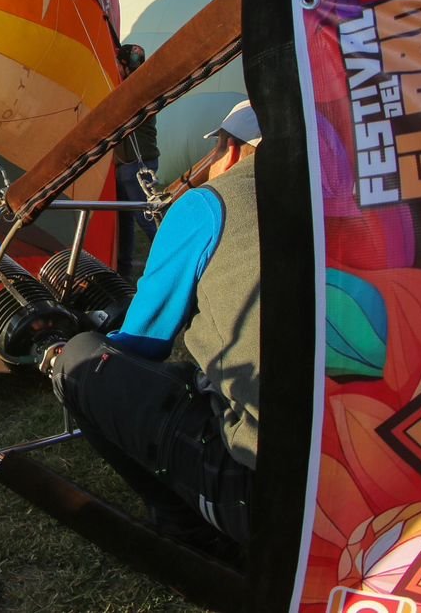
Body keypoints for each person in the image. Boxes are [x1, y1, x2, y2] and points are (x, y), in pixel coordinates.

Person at [44, 100, 262, 549]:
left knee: (82, 364)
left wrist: (86, 339)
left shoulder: (209, 202)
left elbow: (143, 343)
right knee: (191, 377)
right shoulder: (354, 193)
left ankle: (190, 533)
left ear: (233, 150)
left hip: (267, 493)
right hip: (379, 471)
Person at [112, 43, 160, 280]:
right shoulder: (144, 83)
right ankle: (123, 271)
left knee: (148, 218)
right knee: (127, 221)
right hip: (131, 165)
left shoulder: (133, 90)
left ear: (123, 65)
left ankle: (171, 263)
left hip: (136, 166)